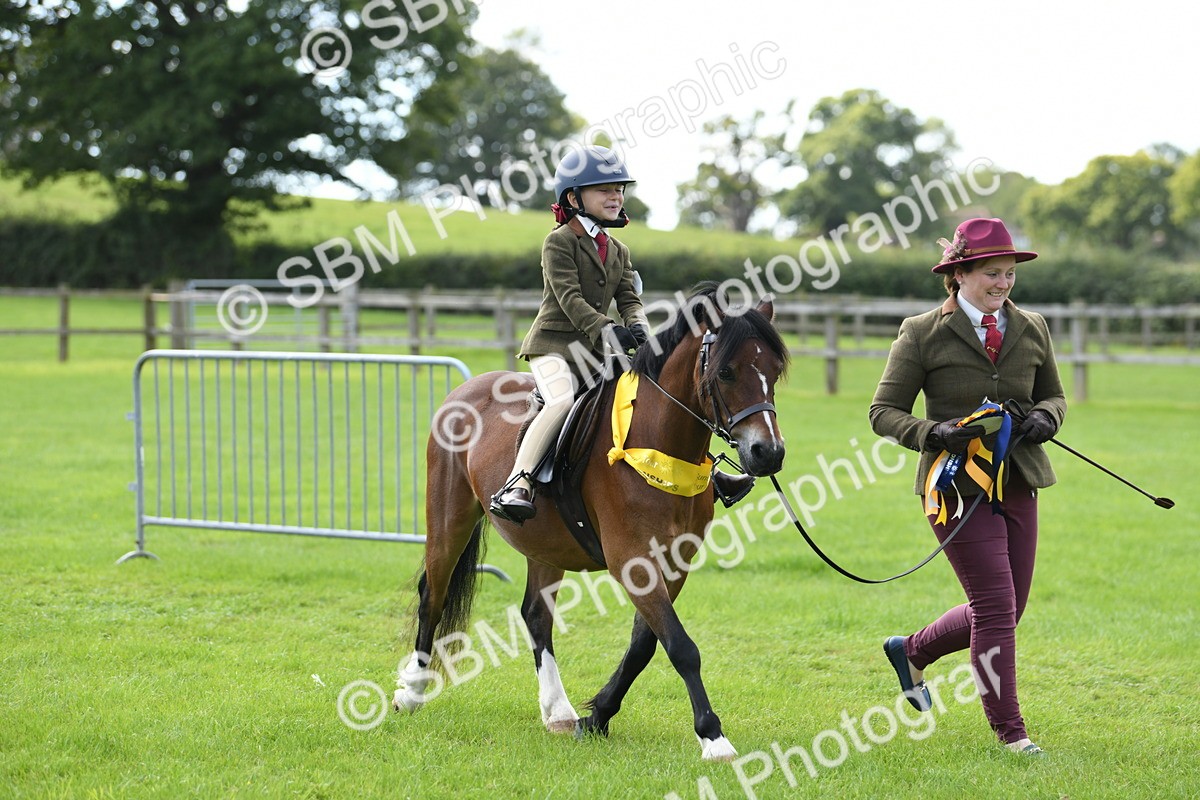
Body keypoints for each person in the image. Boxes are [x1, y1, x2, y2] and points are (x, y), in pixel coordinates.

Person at [869, 217, 1066, 756]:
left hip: (1018, 480)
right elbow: (882, 412)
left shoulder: (1033, 327)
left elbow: (1055, 397)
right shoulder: (922, 332)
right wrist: (932, 433)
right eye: (992, 274)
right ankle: (1011, 733)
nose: (1003, 284)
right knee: (997, 607)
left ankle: (910, 651)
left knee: (1006, 607)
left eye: (1009, 275)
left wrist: (1047, 419)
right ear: (959, 275)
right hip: (954, 486)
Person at [489, 145, 650, 523]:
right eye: (604, 190)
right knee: (560, 402)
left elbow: (629, 298)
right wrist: (608, 329)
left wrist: (640, 327)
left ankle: (704, 472)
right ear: (574, 197)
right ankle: (519, 481)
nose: (616, 196)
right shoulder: (558, 241)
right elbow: (570, 299)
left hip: (596, 351)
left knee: (651, 396)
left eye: (619, 189)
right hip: (554, 346)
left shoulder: (619, 251)